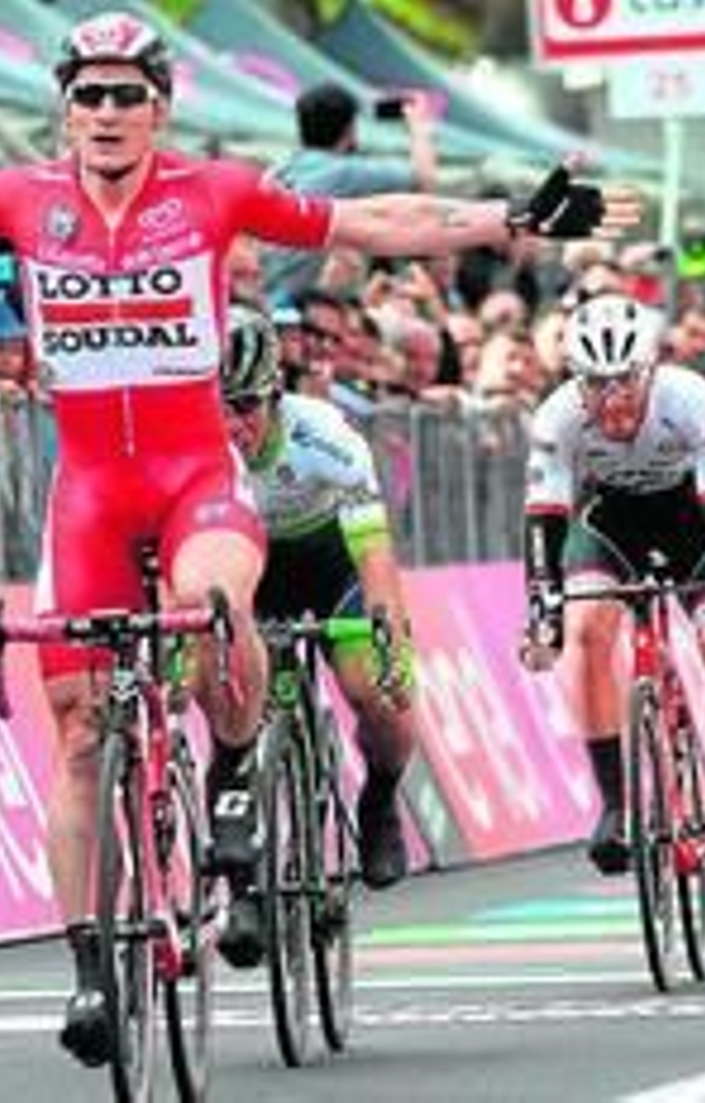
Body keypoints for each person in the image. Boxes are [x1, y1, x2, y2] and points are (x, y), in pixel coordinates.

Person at [0, 8, 638, 1068]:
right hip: (86, 489)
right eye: (90, 93)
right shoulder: (16, 199)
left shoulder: (212, 193)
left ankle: (229, 782)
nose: (108, 111)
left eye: (128, 94)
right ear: (65, 109)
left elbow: (370, 222)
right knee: (79, 734)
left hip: (194, 475)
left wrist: (508, 215)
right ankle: (90, 968)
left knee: (217, 608)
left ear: (160, 107)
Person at [521, 293, 705, 874]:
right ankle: (614, 804)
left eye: (626, 380)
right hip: (610, 523)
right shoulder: (557, 416)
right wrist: (542, 607)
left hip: (692, 522)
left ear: (649, 369)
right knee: (585, 626)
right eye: (596, 384)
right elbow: (544, 518)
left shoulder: (689, 398)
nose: (613, 398)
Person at [215, 304, 420, 965]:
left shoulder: (325, 436)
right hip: (247, 570)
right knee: (238, 715)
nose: (232, 424)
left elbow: (374, 553)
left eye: (245, 405)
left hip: (332, 566)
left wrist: (387, 630)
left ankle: (381, 799)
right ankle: (242, 888)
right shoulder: (197, 448)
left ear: (276, 393)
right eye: (216, 406)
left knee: (378, 692)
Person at [260, 80, 440, 304]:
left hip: (263, 298)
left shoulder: (277, 170)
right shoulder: (343, 172)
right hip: (289, 307)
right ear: (350, 130)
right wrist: (419, 127)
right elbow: (425, 181)